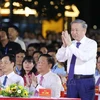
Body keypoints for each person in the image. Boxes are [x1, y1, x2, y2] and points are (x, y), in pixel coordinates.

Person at [56, 19, 97, 100]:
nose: (74, 32)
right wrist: (64, 46)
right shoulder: (71, 44)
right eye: (72, 30)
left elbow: (84, 57)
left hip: (86, 80)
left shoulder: (91, 43)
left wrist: (70, 44)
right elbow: (60, 58)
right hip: (71, 80)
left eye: (76, 30)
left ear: (84, 30)